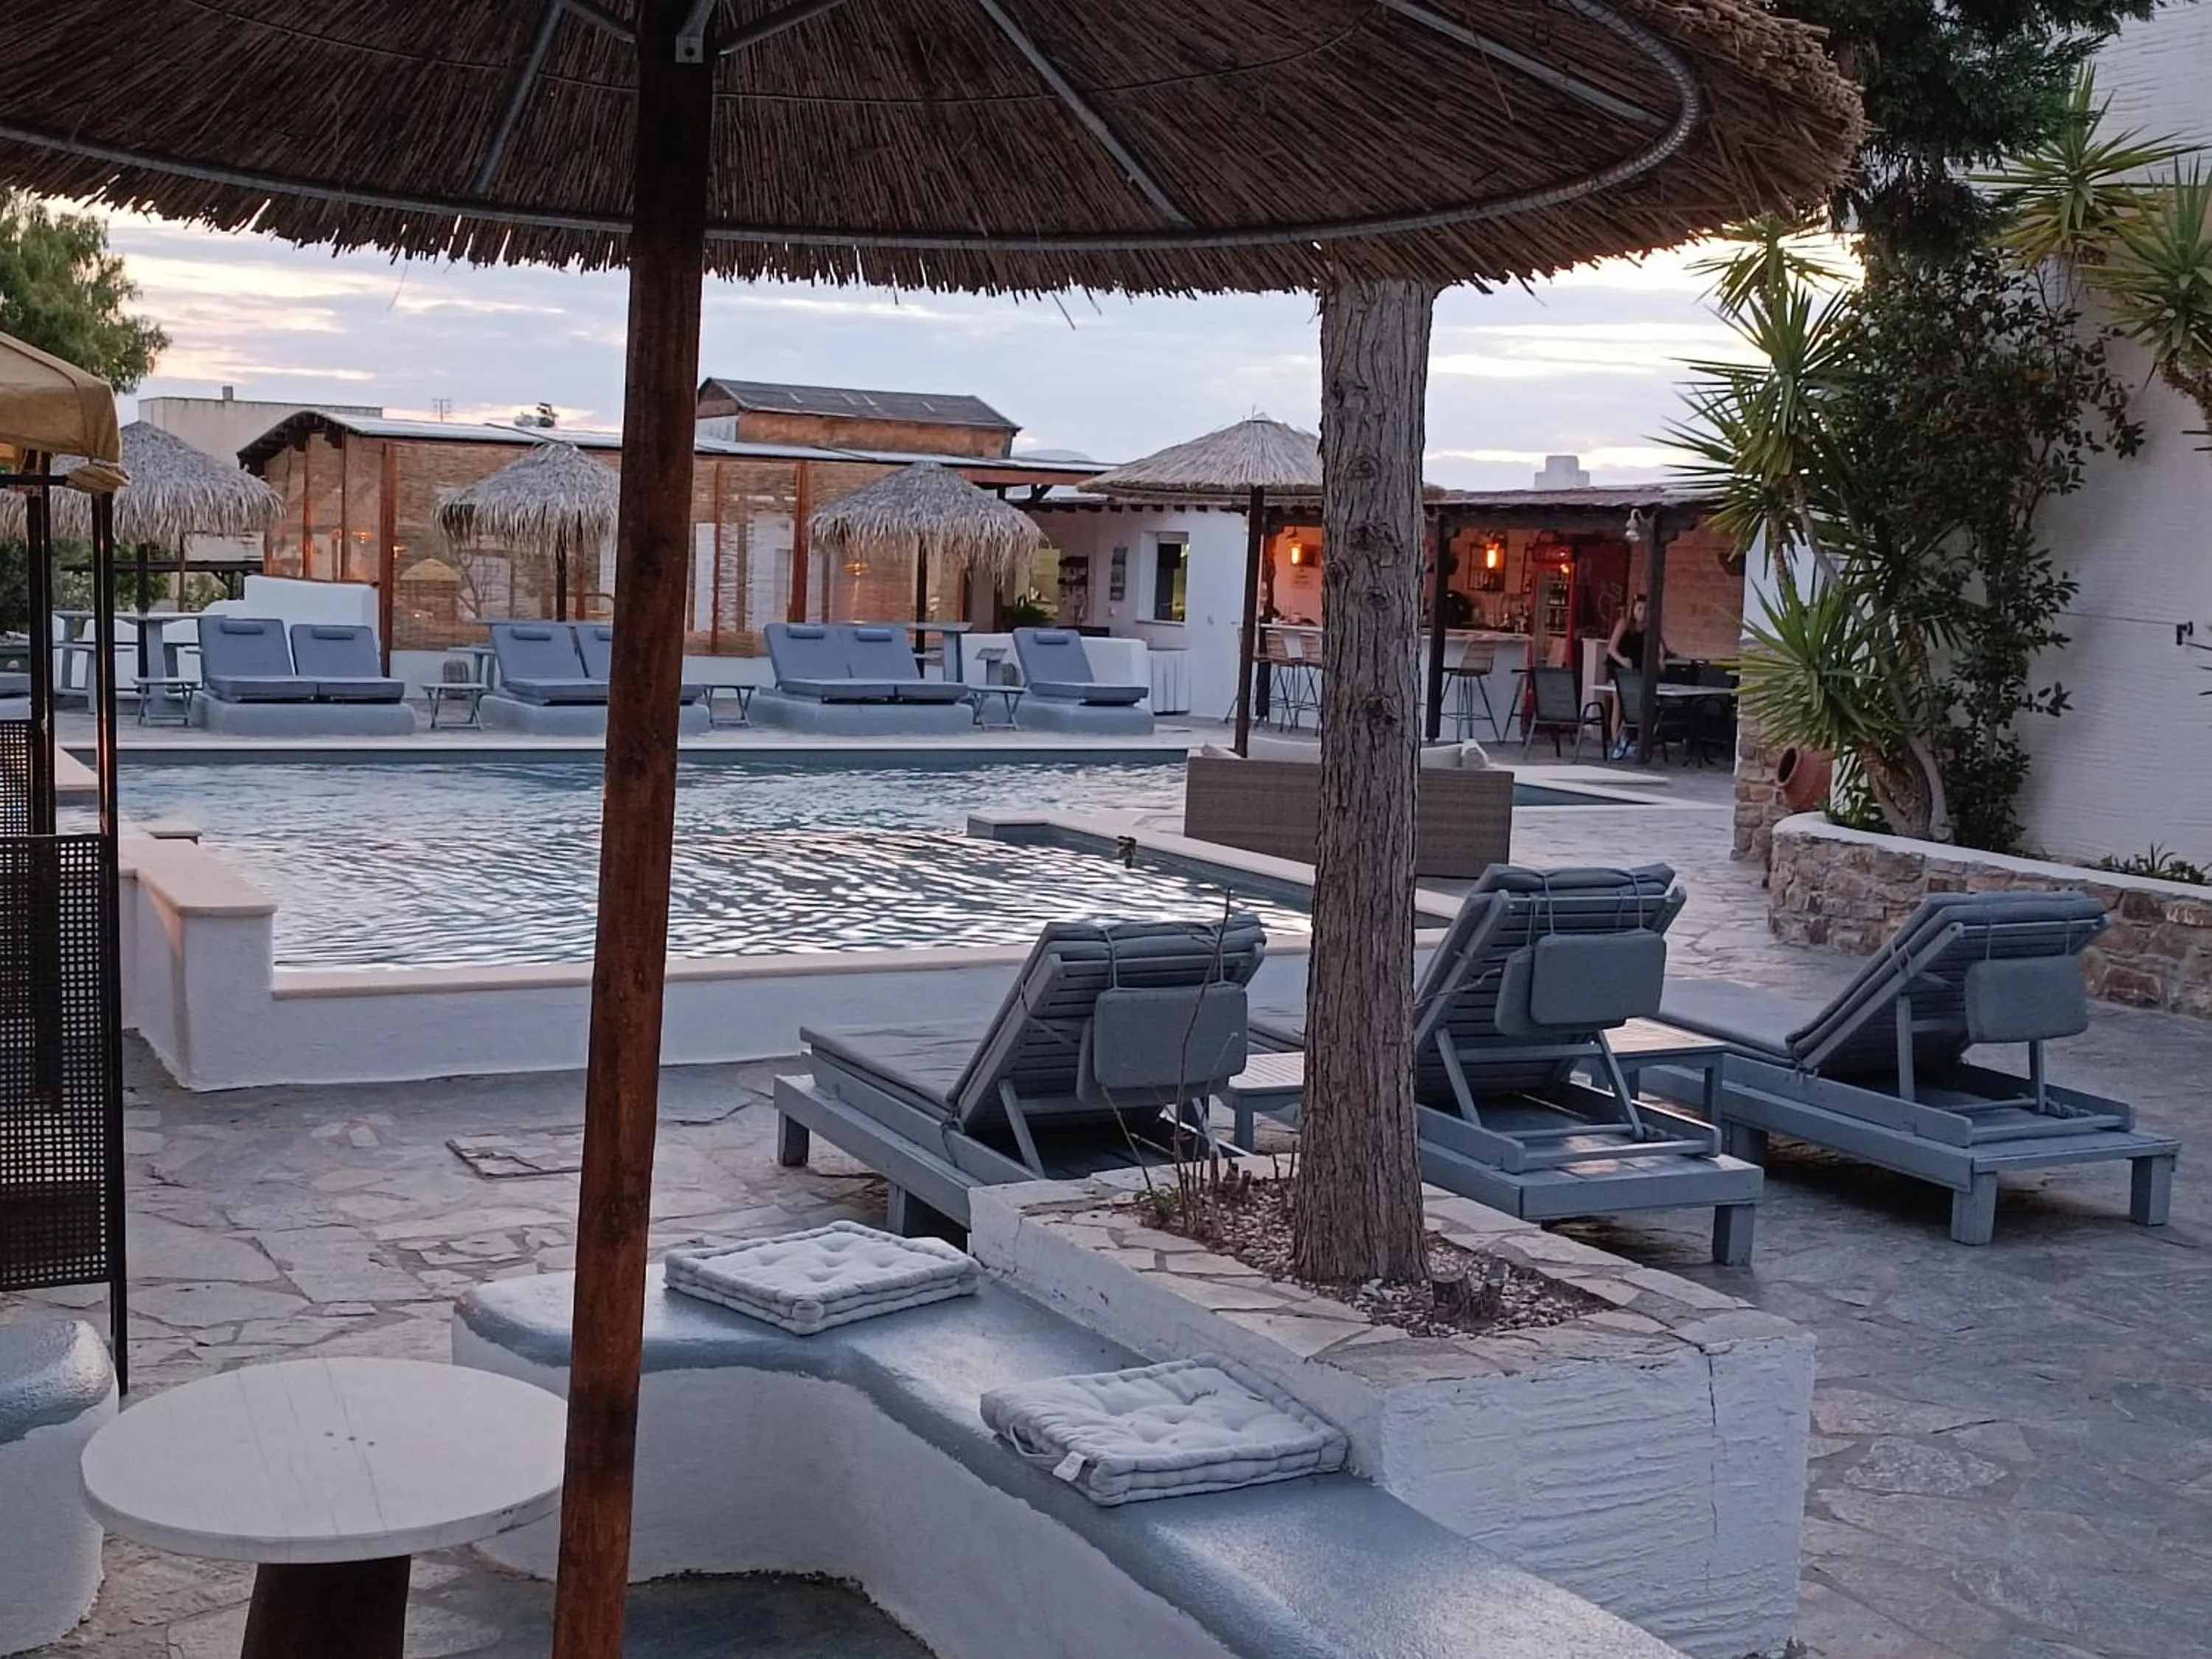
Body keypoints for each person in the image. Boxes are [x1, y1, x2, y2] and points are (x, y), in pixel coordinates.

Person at [1605, 594, 1665, 759]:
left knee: (1635, 704)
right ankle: (1616, 741)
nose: (1642, 613)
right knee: (1619, 703)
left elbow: (1660, 647)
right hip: (1620, 668)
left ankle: (1630, 739)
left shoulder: (1650, 628)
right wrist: (1622, 660)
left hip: (1637, 671)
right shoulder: (1624, 624)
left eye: (1646, 610)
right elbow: (1611, 649)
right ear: (1633, 610)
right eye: (1639, 609)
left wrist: (1660, 660)